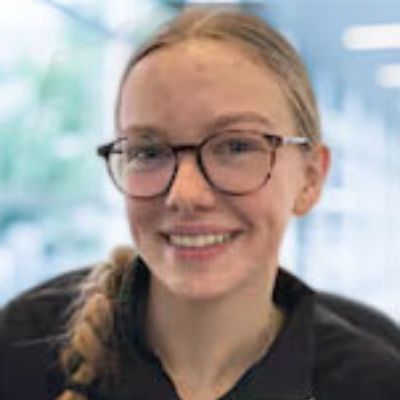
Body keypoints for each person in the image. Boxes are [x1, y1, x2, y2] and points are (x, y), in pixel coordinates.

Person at [1, 7, 399, 400]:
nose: (185, 195)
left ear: (310, 178)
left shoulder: (372, 382)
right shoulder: (23, 350)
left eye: (236, 146)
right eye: (149, 152)